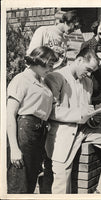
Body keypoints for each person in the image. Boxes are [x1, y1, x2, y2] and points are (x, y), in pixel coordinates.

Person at [44, 47, 101, 194]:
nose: (89, 74)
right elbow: (51, 111)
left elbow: (86, 109)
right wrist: (80, 114)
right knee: (62, 180)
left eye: (92, 71)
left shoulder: (87, 82)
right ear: (79, 60)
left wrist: (94, 115)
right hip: (64, 133)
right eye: (88, 69)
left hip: (85, 130)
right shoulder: (55, 77)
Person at [7, 46, 57, 193]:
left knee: (30, 181)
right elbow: (10, 114)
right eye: (49, 65)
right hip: (25, 131)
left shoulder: (42, 81)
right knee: (19, 182)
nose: (51, 69)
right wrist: (15, 149)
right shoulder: (21, 79)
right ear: (39, 62)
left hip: (39, 133)